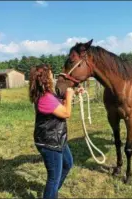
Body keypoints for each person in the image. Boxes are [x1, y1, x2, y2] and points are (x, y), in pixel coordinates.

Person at [29, 64, 83, 199]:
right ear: (45, 79)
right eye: (51, 76)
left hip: (58, 138)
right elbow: (66, 113)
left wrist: (74, 93)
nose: (53, 79)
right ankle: (51, 193)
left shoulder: (48, 94)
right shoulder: (45, 98)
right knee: (53, 178)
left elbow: (60, 103)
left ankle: (52, 192)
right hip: (50, 142)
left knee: (68, 163)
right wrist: (69, 97)